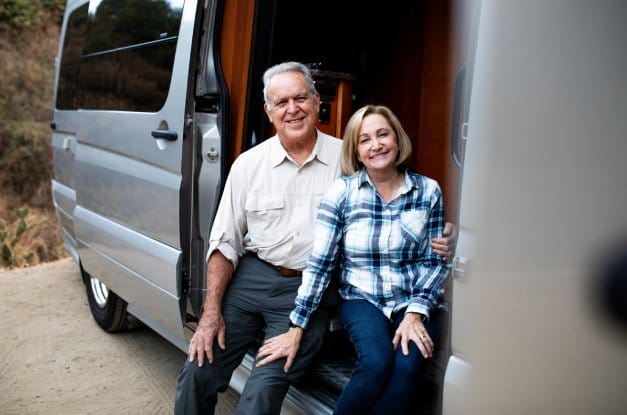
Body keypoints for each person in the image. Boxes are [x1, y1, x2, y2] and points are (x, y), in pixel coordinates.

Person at [174, 63, 455, 415]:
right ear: (269, 112)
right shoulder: (248, 165)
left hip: (308, 287)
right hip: (251, 278)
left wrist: (439, 231)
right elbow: (224, 243)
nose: (292, 109)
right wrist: (210, 312)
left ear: (316, 101)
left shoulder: (350, 157)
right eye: (282, 102)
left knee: (262, 389)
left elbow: (394, 197)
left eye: (300, 97)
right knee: (198, 369)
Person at [256, 105, 451, 415]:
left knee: (409, 363)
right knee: (376, 362)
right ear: (356, 152)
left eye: (383, 134)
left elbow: (436, 261)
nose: (376, 145)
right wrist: (297, 325)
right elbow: (320, 264)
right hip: (362, 298)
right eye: (365, 140)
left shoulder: (428, 191)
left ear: (397, 140)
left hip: (414, 298)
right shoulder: (342, 193)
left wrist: (416, 312)